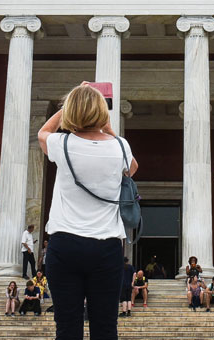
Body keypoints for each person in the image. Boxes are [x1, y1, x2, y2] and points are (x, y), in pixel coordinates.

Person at [36, 83, 139, 340]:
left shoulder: (62, 143)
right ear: (102, 112)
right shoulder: (120, 147)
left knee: (67, 327)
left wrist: (69, 101)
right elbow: (132, 168)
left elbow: (43, 133)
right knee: (105, 327)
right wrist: (110, 130)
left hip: (65, 244)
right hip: (107, 247)